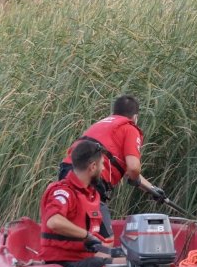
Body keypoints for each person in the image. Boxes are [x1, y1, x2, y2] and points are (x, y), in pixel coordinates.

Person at [58, 95, 165, 239]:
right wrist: (135, 180)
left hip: (67, 172)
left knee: (79, 229)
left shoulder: (101, 125)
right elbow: (133, 168)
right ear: (135, 117)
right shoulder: (129, 128)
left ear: (114, 112)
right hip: (90, 180)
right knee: (106, 240)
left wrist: (152, 189)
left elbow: (129, 171)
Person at [40, 140, 125, 267]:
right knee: (129, 264)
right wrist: (87, 236)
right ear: (92, 167)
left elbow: (100, 245)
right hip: (65, 263)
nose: (103, 169)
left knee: (131, 259)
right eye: (102, 164)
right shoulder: (63, 192)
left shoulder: (91, 195)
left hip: (84, 259)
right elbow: (54, 222)